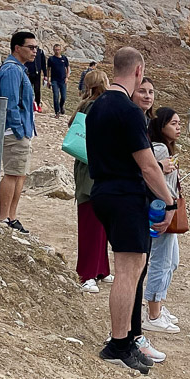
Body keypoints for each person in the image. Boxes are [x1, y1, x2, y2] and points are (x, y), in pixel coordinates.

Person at [87, 46, 175, 374]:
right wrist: (170, 201)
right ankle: (119, 342)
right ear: (138, 71)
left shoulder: (97, 106)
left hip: (103, 190)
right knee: (127, 270)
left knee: (132, 267)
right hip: (125, 195)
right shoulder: (128, 110)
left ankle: (123, 339)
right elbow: (149, 166)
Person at [129, 77, 173, 364]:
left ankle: (133, 333)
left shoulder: (142, 121)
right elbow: (137, 163)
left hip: (145, 202)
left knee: (140, 270)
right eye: (142, 91)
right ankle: (132, 335)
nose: (147, 96)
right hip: (138, 203)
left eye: (151, 92)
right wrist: (159, 167)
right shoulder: (134, 123)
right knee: (135, 271)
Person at [142, 106, 185, 334]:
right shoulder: (158, 150)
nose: (178, 128)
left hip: (168, 208)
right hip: (161, 211)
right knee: (162, 260)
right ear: (161, 126)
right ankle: (153, 313)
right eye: (173, 124)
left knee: (173, 260)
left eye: (179, 123)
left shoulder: (164, 150)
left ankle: (158, 304)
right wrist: (169, 205)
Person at [0, 32, 39, 234]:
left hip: (20, 131)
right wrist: (19, 130)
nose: (34, 51)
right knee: (12, 174)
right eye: (30, 47)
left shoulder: (19, 69)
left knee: (19, 174)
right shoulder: (12, 70)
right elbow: (10, 103)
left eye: (36, 48)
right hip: (14, 132)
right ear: (17, 48)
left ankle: (12, 216)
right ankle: (4, 217)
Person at [70, 69, 111, 293]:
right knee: (91, 222)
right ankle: (86, 273)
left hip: (89, 168)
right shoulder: (96, 107)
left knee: (100, 222)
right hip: (91, 171)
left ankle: (100, 268)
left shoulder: (85, 105)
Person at [48, 43, 71, 117]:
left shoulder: (64, 58)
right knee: (56, 96)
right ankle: (57, 112)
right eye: (55, 50)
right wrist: (48, 79)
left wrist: (67, 77)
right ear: (53, 50)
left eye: (58, 50)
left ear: (60, 50)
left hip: (63, 80)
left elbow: (68, 68)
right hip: (54, 80)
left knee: (64, 97)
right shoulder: (51, 59)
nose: (57, 51)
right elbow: (48, 69)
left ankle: (61, 106)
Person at [25, 41, 48, 112]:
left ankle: (38, 105)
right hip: (28, 73)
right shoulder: (27, 51)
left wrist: (45, 75)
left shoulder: (40, 52)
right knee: (27, 89)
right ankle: (28, 104)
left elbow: (43, 63)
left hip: (37, 74)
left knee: (37, 90)